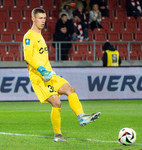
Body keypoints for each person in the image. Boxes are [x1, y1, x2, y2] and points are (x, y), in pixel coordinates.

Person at [23, 8, 101, 142]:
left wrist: (49, 71)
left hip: (49, 74)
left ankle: (81, 116)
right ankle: (58, 135)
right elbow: (28, 56)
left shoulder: (40, 36)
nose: (43, 21)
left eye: (44, 18)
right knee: (56, 102)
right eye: (40, 18)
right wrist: (42, 70)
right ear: (33, 19)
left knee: (70, 89)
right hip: (38, 77)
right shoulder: (29, 36)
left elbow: (42, 57)